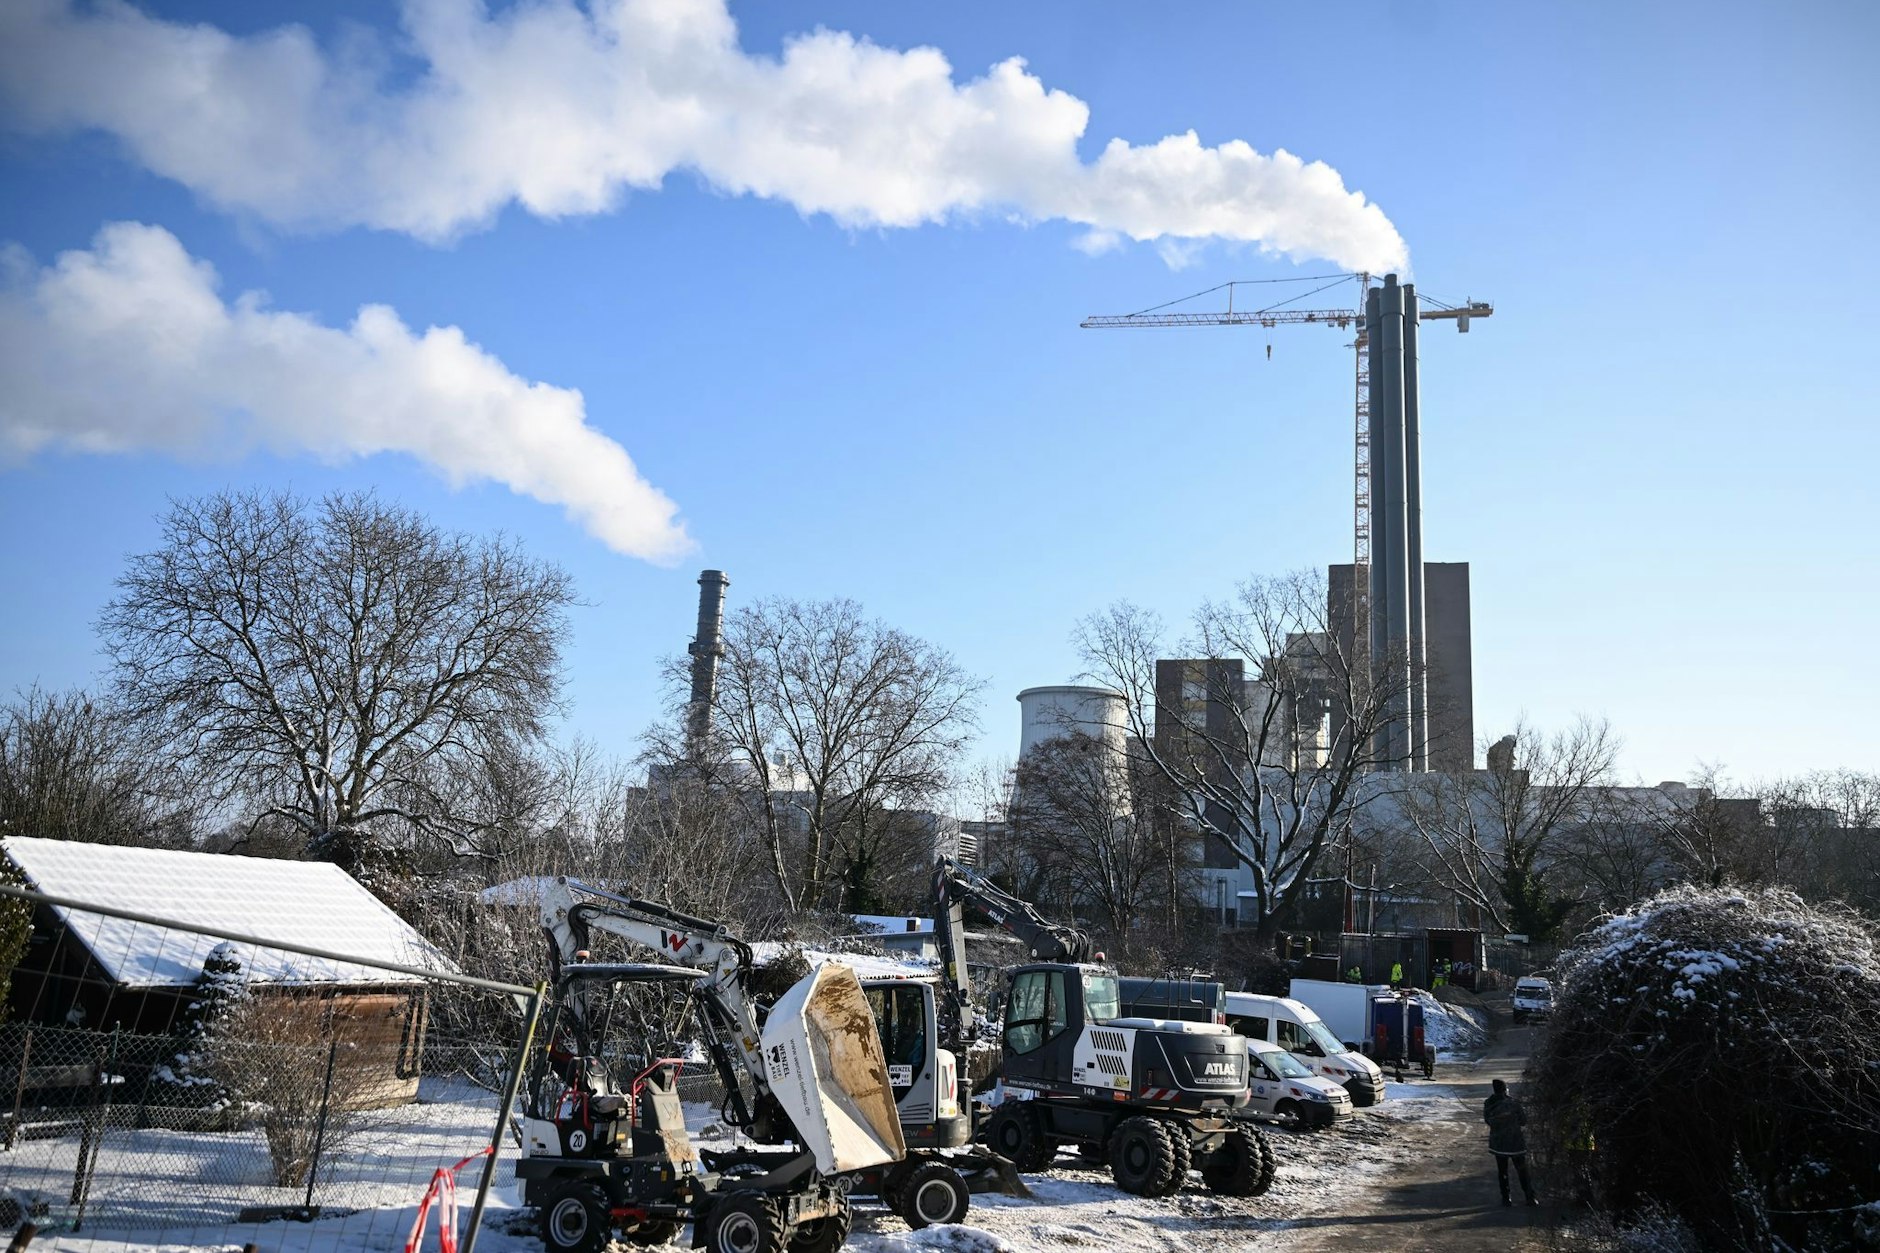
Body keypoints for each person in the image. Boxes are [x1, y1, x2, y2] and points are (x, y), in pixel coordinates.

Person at [1483, 1078, 1539, 1207]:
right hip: (1515, 1143)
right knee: (1522, 1170)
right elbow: (1523, 1121)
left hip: (1498, 1143)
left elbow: (1488, 1120)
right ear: (1505, 1089)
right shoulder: (1514, 1103)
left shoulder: (1489, 1104)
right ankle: (1529, 1196)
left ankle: (1506, 1198)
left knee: (1502, 1171)